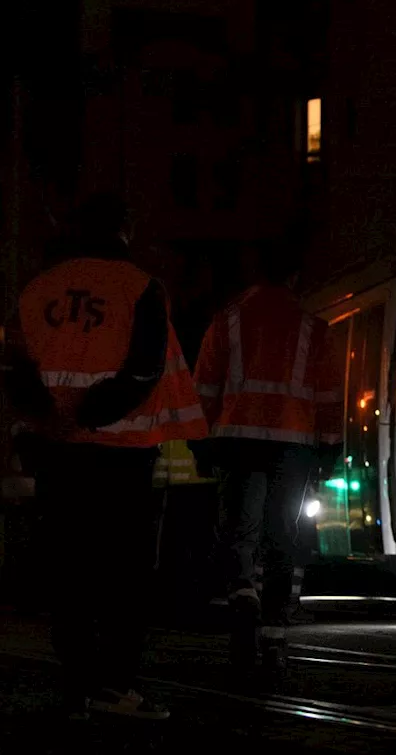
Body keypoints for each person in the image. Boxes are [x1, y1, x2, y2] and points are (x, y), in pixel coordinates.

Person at [1, 193, 207, 720]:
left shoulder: (37, 289)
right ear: (124, 230)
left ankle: (76, 687)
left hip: (57, 452)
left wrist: (54, 417)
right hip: (122, 454)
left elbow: (15, 370)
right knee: (123, 573)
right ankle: (115, 686)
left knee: (68, 568)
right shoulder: (140, 288)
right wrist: (91, 414)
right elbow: (143, 372)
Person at [190, 237, 342, 676]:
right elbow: (329, 397)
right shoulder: (314, 329)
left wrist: (202, 444)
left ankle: (243, 595)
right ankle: (275, 638)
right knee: (282, 538)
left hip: (236, 440)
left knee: (240, 532)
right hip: (294, 445)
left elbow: (203, 389)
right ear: (296, 276)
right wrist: (329, 449)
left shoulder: (227, 322)